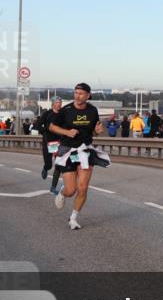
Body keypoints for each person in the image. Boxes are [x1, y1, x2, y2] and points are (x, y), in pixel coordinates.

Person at [49, 83, 109, 230]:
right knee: (71, 190)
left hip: (85, 150)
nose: (77, 96)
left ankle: (73, 218)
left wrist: (98, 130)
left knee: (83, 189)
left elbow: (95, 129)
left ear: (88, 95)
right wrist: (67, 132)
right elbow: (52, 126)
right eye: (76, 93)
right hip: (68, 150)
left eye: (81, 93)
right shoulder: (66, 110)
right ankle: (63, 192)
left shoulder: (92, 110)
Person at [36, 98, 63, 184]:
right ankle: (46, 168)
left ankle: (54, 186)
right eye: (57, 102)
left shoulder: (63, 114)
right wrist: (46, 130)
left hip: (60, 141)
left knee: (59, 164)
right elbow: (37, 125)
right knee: (49, 164)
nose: (59, 104)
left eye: (60, 102)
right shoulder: (47, 114)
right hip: (50, 141)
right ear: (53, 104)